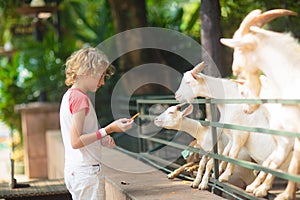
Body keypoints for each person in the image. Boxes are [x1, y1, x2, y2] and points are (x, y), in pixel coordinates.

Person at [59, 47, 133, 200]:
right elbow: (76, 141)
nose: (102, 82)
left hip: (76, 170)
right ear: (87, 72)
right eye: (100, 76)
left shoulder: (69, 96)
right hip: (87, 172)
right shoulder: (80, 99)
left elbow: (81, 133)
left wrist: (101, 139)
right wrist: (108, 129)